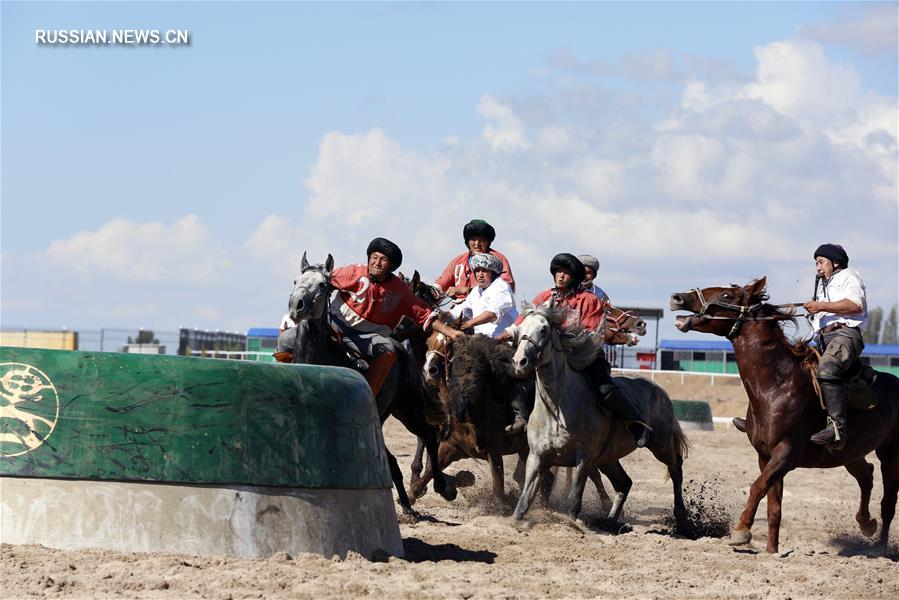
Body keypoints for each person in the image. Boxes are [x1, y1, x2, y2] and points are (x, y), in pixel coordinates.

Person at [501, 253, 650, 446]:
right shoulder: (544, 297)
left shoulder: (590, 300)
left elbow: (590, 333)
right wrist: (501, 337)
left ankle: (637, 423)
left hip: (584, 358)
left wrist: (559, 339)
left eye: (566, 273)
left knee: (605, 389)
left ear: (574, 278)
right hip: (550, 358)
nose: (561, 276)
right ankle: (522, 419)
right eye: (558, 271)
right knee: (520, 381)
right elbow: (522, 324)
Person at [327, 237, 462, 397]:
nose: (376, 263)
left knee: (389, 350)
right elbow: (323, 281)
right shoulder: (353, 272)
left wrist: (450, 332)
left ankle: (365, 397)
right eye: (374, 258)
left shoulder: (400, 289)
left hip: (363, 337)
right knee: (290, 337)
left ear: (391, 265)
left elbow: (424, 314)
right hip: (332, 326)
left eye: (383, 260)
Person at [802, 243, 868, 450]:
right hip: (822, 339)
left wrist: (820, 306)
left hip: (845, 335)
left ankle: (838, 429)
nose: (818, 268)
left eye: (821, 262)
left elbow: (856, 305)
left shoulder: (850, 276)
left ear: (836, 262)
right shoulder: (823, 285)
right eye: (816, 264)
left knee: (828, 367)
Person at [435, 219, 515, 300]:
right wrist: (431, 290)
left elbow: (507, 288)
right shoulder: (458, 261)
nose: (477, 244)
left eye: (481, 240)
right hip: (458, 308)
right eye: (473, 240)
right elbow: (442, 283)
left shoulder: (498, 259)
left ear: (488, 243)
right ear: (467, 242)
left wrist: (465, 291)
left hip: (487, 306)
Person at [449, 253, 518, 338]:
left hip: (503, 340)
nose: (480, 275)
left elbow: (493, 314)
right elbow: (463, 310)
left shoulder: (501, 287)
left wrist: (470, 323)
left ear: (493, 273)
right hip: (481, 342)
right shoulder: (475, 291)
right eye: (477, 271)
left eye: (484, 271)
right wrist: (445, 315)